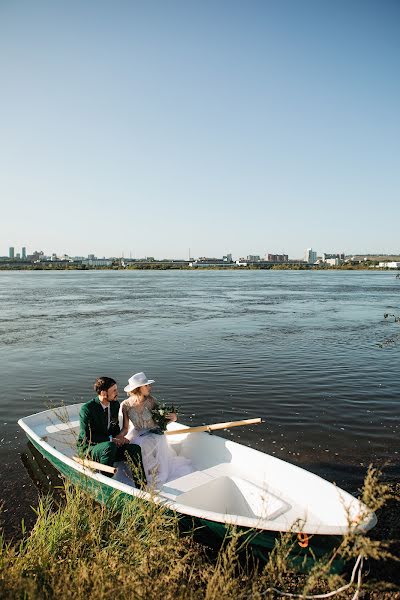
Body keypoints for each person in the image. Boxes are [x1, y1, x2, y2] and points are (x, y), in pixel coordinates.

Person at [117, 372, 192, 487]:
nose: (149, 387)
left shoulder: (151, 401)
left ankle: (153, 474)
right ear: (138, 388)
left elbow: (161, 420)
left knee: (144, 444)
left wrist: (173, 418)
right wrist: (120, 437)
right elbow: (126, 428)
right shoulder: (125, 405)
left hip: (154, 433)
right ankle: (144, 475)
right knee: (136, 444)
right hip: (138, 433)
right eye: (146, 386)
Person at [77, 376, 146, 486]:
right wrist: (112, 440)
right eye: (114, 391)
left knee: (134, 449)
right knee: (109, 446)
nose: (117, 393)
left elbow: (114, 428)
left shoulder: (115, 405)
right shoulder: (87, 409)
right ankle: (105, 484)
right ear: (104, 393)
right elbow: (86, 436)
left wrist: (119, 439)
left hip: (109, 445)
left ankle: (142, 486)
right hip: (90, 448)